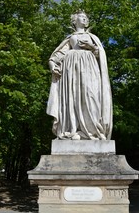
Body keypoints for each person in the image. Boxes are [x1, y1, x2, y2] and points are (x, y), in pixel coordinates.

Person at [46, 10, 112, 140]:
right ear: (74, 21)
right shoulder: (70, 38)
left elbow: (100, 55)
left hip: (89, 69)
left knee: (90, 96)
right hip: (71, 72)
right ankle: (73, 130)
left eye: (86, 18)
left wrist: (92, 47)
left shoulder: (93, 38)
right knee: (73, 98)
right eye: (81, 17)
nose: (84, 19)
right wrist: (53, 65)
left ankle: (93, 132)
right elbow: (57, 55)